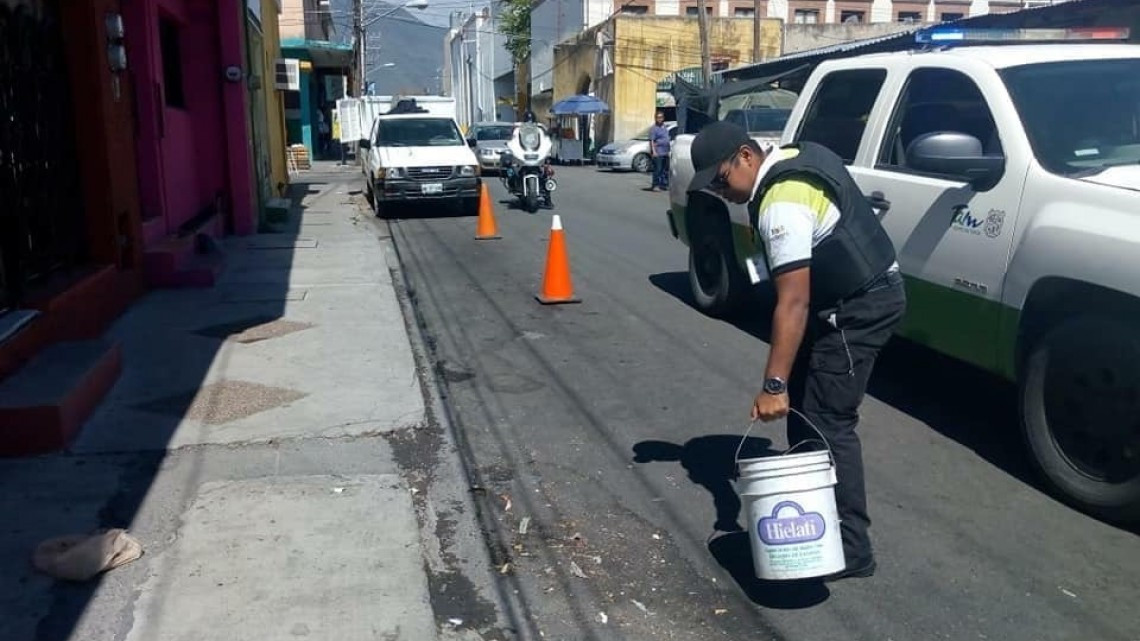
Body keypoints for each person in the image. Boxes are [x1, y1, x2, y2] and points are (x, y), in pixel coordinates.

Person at [686, 121, 906, 582]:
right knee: (804, 411)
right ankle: (817, 520)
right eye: (711, 188)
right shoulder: (788, 158)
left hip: (857, 307)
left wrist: (772, 385)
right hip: (840, 297)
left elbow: (793, 302)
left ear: (746, 156)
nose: (720, 192)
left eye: (721, 180)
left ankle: (851, 547)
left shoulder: (781, 204)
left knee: (829, 420)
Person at [648, 111, 671, 191]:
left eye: (661, 117)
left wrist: (668, 151)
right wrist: (654, 152)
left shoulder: (664, 127)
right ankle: (655, 185)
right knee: (658, 169)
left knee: (665, 170)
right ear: (655, 118)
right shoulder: (653, 129)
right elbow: (652, 141)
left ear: (663, 118)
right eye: (658, 117)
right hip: (658, 152)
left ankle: (663, 185)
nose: (659, 119)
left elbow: (666, 139)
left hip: (665, 152)